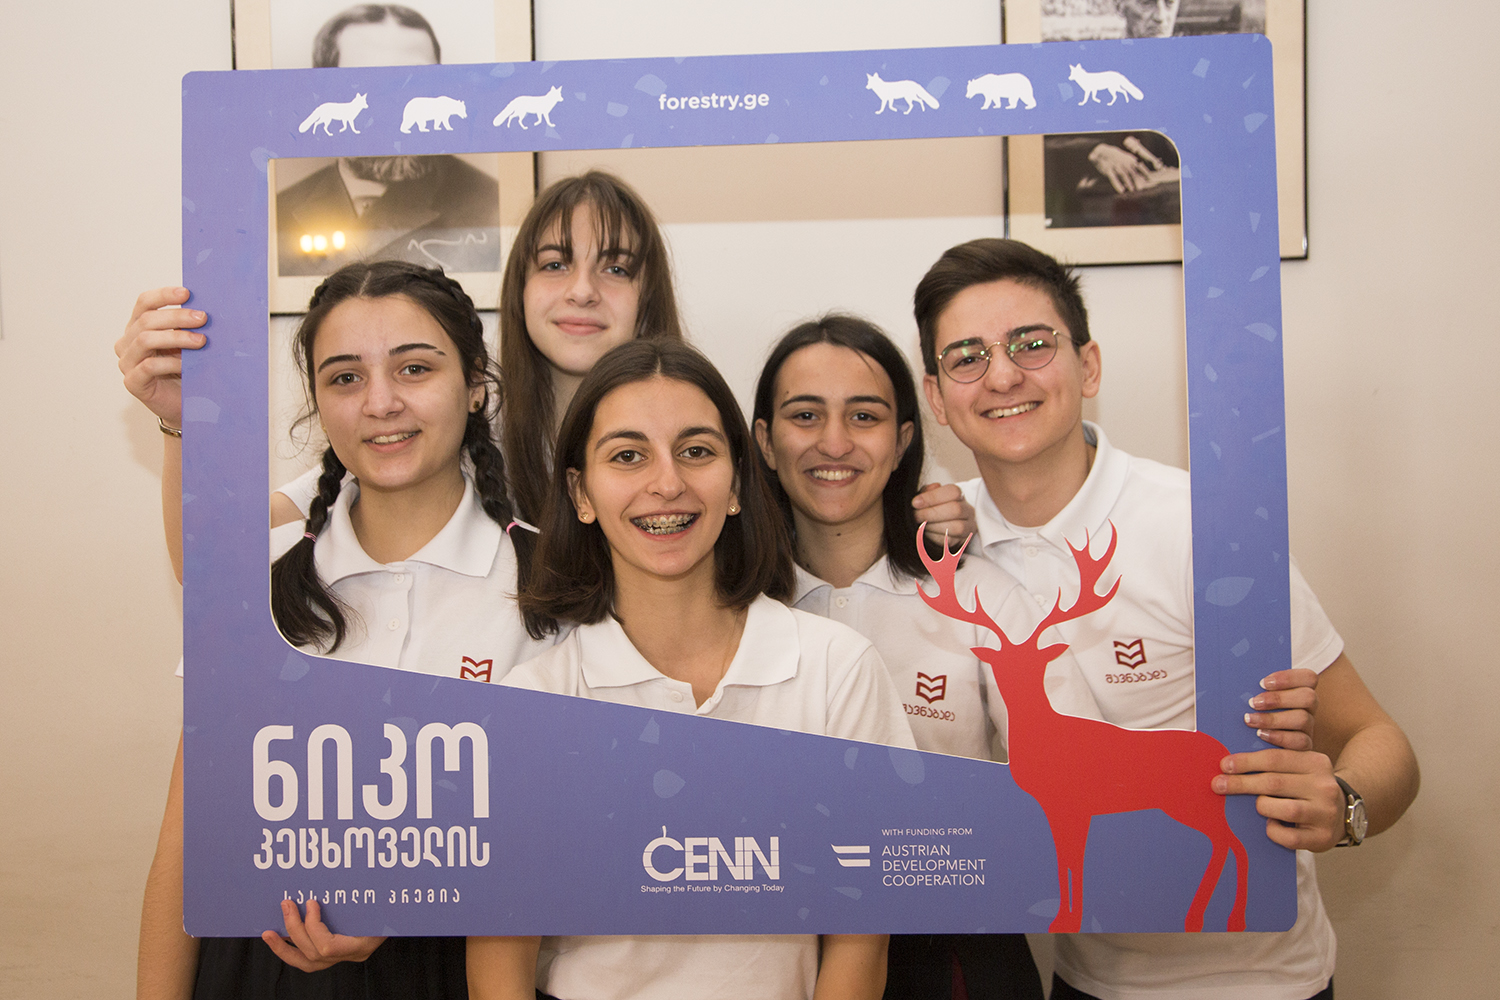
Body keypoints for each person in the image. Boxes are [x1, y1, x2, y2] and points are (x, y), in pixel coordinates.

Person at [913, 237, 1420, 1000]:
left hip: (1263, 983)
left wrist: (1344, 804)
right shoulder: (945, 552)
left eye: (1032, 344)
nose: (1004, 375)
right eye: (968, 357)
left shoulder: (1200, 527)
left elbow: (1380, 741)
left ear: (1088, 366)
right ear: (937, 397)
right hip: (1083, 978)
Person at [134, 260, 553, 1000]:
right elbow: (187, 833)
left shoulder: (553, 588)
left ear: (475, 384)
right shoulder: (262, 576)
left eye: (415, 368)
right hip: (255, 967)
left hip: (462, 967)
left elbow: (567, 837)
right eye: (345, 377)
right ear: (318, 402)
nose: (381, 403)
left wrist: (409, 903)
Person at [468, 338, 916, 1000]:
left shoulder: (836, 670)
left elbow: (861, 934)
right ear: (581, 493)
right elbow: (500, 959)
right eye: (627, 456)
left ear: (735, 482)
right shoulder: (535, 703)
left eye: (697, 451)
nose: (668, 483)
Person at [276, 3, 502, 277]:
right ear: (323, 93)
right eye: (369, 82)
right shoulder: (277, 213)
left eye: (418, 81)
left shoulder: (492, 207)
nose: (397, 104)